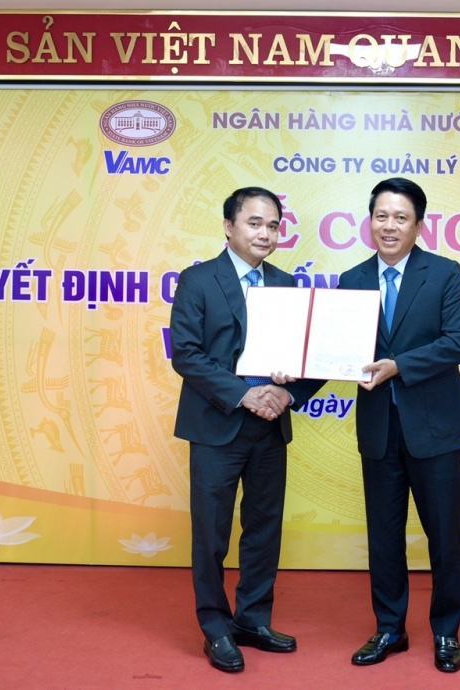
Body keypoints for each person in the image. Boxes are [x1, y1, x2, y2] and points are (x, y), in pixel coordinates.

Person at [169, 186, 320, 674]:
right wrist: (244, 394)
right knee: (211, 534)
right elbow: (186, 354)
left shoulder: (287, 284)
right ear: (228, 226)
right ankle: (216, 627)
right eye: (255, 223)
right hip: (218, 425)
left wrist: (287, 394)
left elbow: (307, 358)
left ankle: (253, 620)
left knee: (263, 530)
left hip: (270, 426)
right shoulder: (197, 280)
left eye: (273, 225)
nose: (266, 234)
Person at [341, 177, 460, 673]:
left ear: (418, 225)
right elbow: (339, 351)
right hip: (379, 429)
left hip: (435, 428)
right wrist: (289, 381)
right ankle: (389, 629)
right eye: (381, 216)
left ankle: (446, 631)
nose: (389, 226)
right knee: (384, 536)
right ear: (369, 221)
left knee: (444, 536)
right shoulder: (351, 279)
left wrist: (400, 365)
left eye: (400, 217)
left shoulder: (443, 273)